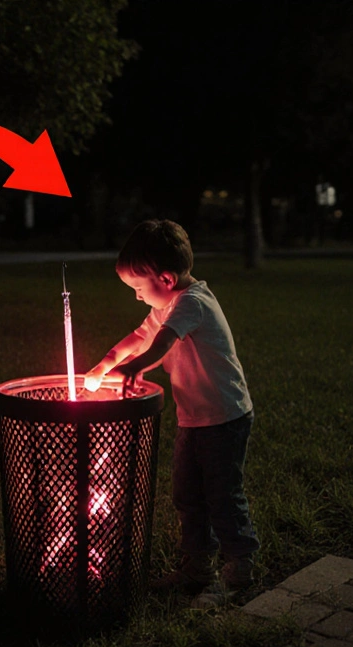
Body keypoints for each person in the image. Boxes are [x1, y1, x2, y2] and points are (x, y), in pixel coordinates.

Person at [84, 219, 258, 595]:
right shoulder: (167, 305)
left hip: (225, 418)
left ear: (164, 279)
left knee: (223, 494)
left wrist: (134, 367)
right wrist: (106, 363)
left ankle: (240, 565)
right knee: (187, 495)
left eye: (137, 288)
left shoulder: (193, 303)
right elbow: (141, 335)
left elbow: (161, 342)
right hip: (194, 419)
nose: (136, 296)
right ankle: (198, 566)